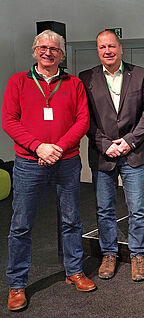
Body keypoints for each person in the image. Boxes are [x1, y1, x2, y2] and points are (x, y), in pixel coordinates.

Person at [2, 30, 95, 311]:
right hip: (29, 162)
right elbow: (9, 120)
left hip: (66, 161)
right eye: (43, 48)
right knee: (21, 225)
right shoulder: (18, 82)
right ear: (34, 51)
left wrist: (57, 148)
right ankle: (17, 284)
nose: (48, 52)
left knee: (71, 219)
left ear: (62, 55)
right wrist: (38, 147)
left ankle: (74, 271)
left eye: (54, 49)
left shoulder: (74, 83)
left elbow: (83, 121)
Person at [79, 30, 144, 282]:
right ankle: (109, 253)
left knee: (137, 208)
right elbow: (85, 118)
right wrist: (104, 144)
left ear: (120, 48)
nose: (107, 51)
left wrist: (129, 141)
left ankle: (137, 255)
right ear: (98, 50)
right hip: (103, 154)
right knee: (104, 209)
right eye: (102, 47)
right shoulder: (86, 77)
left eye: (111, 46)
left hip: (133, 152)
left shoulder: (141, 74)